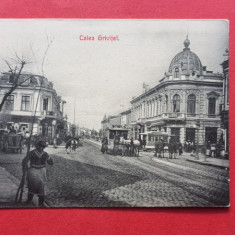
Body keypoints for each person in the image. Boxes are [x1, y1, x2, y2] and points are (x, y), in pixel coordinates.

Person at [22, 139, 53, 207]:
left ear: (43, 147)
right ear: (37, 146)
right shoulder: (40, 154)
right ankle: (32, 201)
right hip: (35, 171)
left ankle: (38, 201)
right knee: (34, 185)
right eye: (40, 146)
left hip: (39, 171)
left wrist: (25, 168)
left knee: (39, 186)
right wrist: (25, 168)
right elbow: (24, 161)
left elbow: (24, 162)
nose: (41, 148)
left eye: (42, 147)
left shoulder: (33, 153)